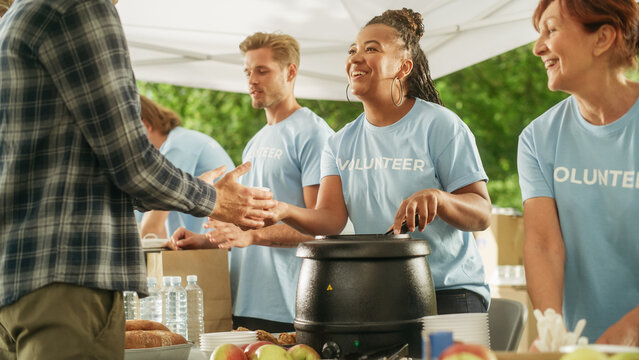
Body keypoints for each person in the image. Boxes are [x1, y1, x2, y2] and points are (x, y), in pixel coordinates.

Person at [0, 0, 274, 359]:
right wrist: (216, 200)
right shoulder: (81, 7)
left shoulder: (19, 17)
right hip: (66, 279)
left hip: (19, 278)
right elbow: (133, 163)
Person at [238, 9, 492, 314]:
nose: (355, 58)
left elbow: (481, 213)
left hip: (449, 293)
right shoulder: (339, 143)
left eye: (371, 49)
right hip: (379, 291)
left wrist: (439, 198)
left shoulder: (440, 126)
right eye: (352, 50)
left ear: (403, 67)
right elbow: (330, 220)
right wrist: (282, 210)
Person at [170, 32, 334, 331]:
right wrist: (206, 241)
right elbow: (248, 227)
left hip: (293, 306)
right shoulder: (255, 142)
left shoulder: (313, 134)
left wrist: (254, 236)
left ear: (291, 72)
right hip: (245, 302)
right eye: (247, 72)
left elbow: (323, 230)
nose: (252, 80)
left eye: (262, 70)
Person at [518, 0, 639, 345]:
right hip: (585, 347)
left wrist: (625, 335)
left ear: (602, 38)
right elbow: (543, 245)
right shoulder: (537, 139)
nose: (538, 47)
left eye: (551, 30)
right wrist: (553, 330)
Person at [136, 95, 235, 239]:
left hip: (213, 249)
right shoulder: (183, 139)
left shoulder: (177, 148)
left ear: (145, 126)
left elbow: (151, 229)